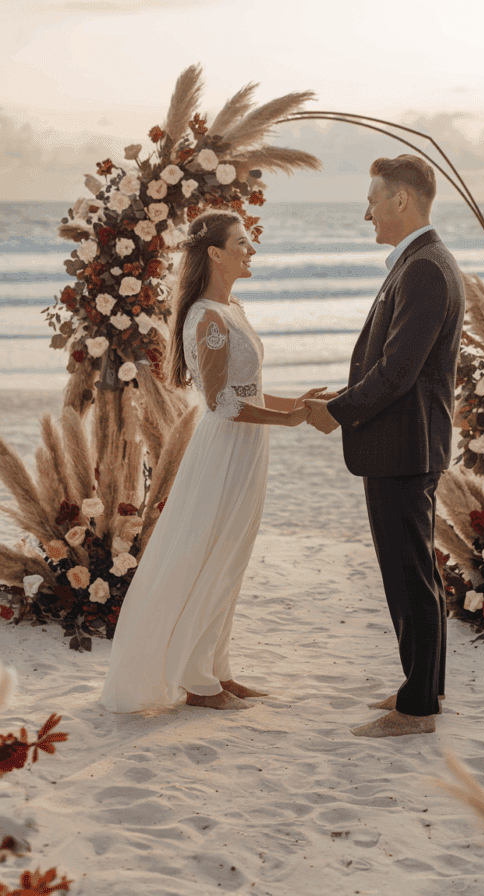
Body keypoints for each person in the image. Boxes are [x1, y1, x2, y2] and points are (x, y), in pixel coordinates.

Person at [99, 211, 325, 715]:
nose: (251, 250)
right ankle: (199, 684)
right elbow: (223, 402)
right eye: (242, 243)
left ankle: (216, 669)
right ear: (216, 254)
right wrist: (286, 422)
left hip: (247, 448)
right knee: (212, 555)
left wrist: (294, 405)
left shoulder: (232, 309)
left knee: (233, 558)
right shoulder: (209, 318)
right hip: (225, 449)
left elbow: (248, 390)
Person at [305, 155, 465, 738]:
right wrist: (345, 396)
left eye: (372, 200)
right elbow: (399, 367)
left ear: (401, 200)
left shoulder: (424, 268)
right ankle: (423, 686)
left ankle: (418, 707)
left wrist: (336, 412)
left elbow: (397, 372)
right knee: (414, 569)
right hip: (409, 443)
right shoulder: (425, 261)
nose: (365, 212)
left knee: (408, 574)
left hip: (405, 445)